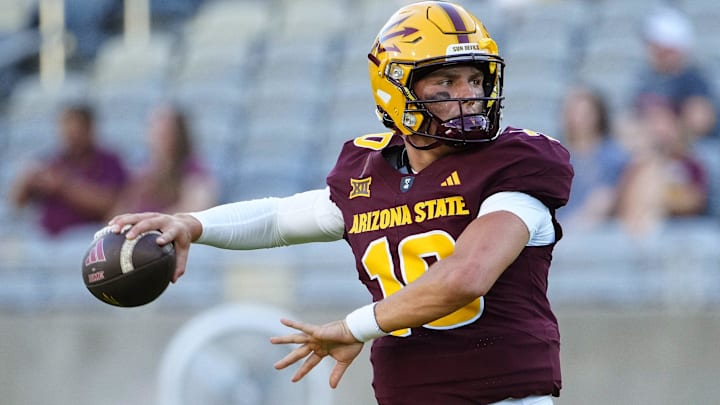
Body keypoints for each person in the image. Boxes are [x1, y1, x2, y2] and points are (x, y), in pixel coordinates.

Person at [107, 2, 573, 404]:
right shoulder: (371, 172)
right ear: (397, 89)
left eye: (475, 79)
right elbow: (278, 219)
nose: (468, 97)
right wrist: (192, 224)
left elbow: (464, 277)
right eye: (446, 82)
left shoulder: (514, 164)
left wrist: (355, 327)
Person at [9, 102, 128, 237]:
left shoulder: (109, 161)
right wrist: (26, 180)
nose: (72, 136)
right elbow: (17, 203)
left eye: (77, 129)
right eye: (66, 128)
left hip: (88, 237)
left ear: (89, 129)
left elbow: (110, 203)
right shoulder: (51, 161)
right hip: (48, 239)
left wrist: (64, 186)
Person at [615, 96, 708, 236]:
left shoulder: (690, 163)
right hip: (639, 235)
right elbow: (625, 205)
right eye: (653, 122)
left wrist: (660, 195)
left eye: (664, 122)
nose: (659, 129)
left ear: (677, 126)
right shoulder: (636, 165)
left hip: (681, 236)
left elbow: (694, 202)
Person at [109, 103, 218, 217]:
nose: (158, 137)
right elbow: (122, 208)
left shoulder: (194, 171)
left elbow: (196, 210)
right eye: (154, 130)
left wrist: (150, 224)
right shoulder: (144, 172)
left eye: (166, 132)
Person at [632, 5, 717, 141]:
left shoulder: (694, 80)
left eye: (660, 49)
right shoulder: (646, 78)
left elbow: (701, 121)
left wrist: (668, 126)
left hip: (694, 150)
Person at [557, 85, 629, 230]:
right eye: (573, 112)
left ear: (597, 116)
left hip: (595, 234)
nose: (577, 119)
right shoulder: (556, 155)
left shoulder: (613, 156)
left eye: (584, 113)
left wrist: (569, 232)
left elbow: (603, 200)